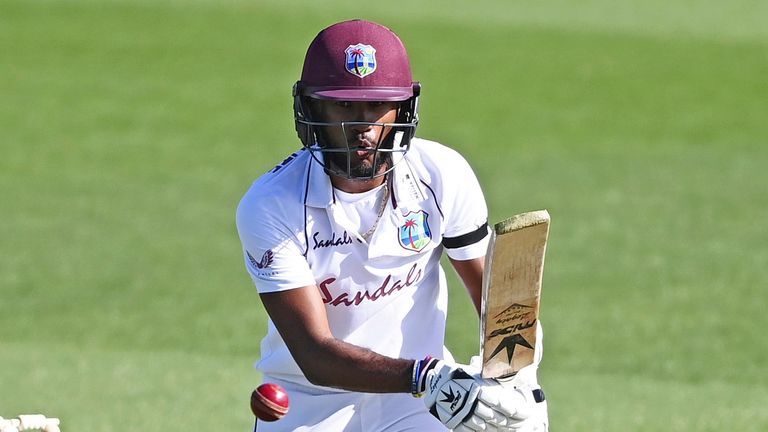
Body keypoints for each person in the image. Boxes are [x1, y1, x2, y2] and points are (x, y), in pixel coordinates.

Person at [236, 19, 548, 431]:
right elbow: (314, 353)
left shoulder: (441, 174)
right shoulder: (271, 204)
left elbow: (498, 304)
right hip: (313, 398)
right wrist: (425, 375)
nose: (362, 125)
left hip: (418, 402)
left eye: (377, 104)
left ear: (403, 109)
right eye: (343, 105)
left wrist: (518, 380)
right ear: (311, 109)